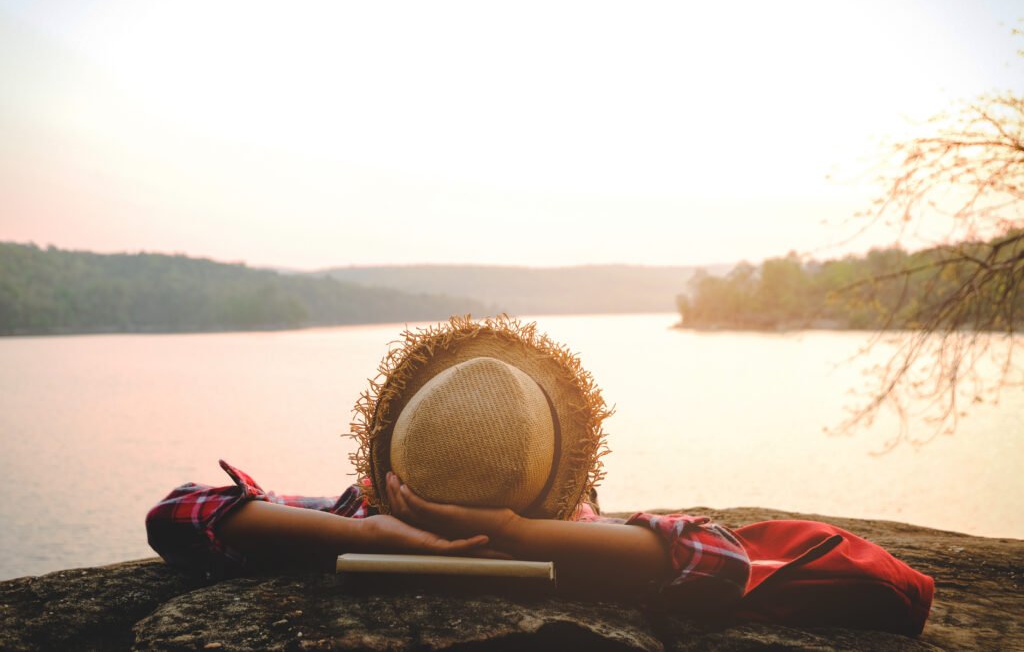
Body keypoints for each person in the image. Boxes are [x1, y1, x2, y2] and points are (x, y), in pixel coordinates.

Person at [146, 316, 933, 633]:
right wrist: (522, 534)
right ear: (559, 472)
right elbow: (720, 559)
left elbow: (181, 514)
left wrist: (368, 533)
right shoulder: (578, 540)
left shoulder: (355, 518)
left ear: (390, 467)